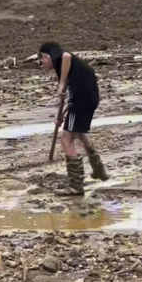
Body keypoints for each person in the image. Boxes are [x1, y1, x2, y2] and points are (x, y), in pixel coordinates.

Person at [38, 41, 108, 195]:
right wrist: (61, 117)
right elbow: (71, 98)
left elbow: (66, 55)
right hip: (88, 100)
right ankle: (99, 171)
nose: (42, 64)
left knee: (66, 140)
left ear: (46, 56)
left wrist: (61, 83)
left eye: (42, 60)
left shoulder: (63, 59)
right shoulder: (73, 68)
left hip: (80, 102)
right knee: (81, 133)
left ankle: (76, 186)